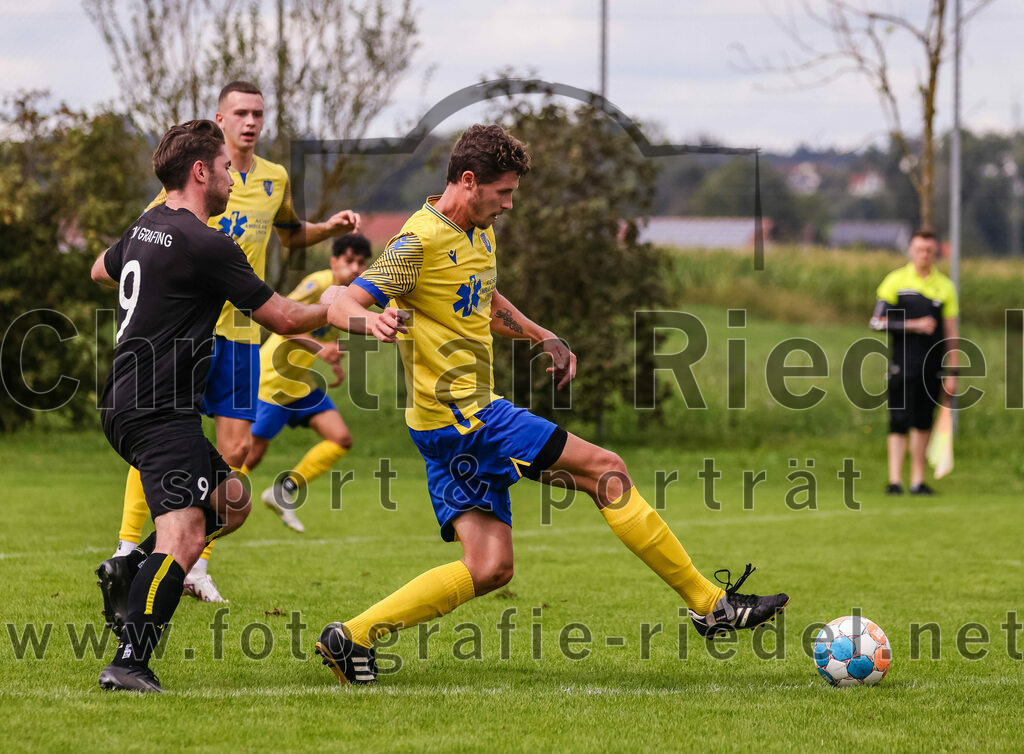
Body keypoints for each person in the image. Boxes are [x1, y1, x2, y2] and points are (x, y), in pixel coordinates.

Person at [313, 124, 789, 685]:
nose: (510, 204)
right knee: (607, 471)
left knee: (490, 569)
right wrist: (370, 318)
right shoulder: (418, 241)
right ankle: (711, 606)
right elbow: (338, 298)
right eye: (504, 193)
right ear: (468, 181)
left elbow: (481, 301)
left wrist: (543, 335)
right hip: (471, 419)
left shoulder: (476, 232)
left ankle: (352, 636)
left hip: (439, 427)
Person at [90, 120, 342, 692]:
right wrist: (333, 300)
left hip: (130, 401)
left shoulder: (147, 225)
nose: (233, 177)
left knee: (232, 502)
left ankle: (130, 570)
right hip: (157, 409)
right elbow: (283, 317)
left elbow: (100, 270)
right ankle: (130, 661)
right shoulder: (207, 241)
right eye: (226, 168)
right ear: (201, 171)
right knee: (182, 537)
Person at [244, 233, 372, 531]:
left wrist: (333, 359)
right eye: (349, 260)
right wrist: (321, 350)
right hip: (274, 379)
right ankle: (212, 505)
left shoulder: (349, 294)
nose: (355, 268)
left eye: (362, 263)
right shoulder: (318, 284)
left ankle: (283, 490)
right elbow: (280, 320)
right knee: (251, 453)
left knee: (340, 439)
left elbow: (326, 334)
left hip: (301, 383)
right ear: (333, 261)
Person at [870, 229, 959, 495]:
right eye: (920, 249)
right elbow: (876, 322)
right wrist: (914, 325)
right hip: (902, 363)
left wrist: (953, 371)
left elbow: (951, 332)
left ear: (936, 253)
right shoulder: (895, 281)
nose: (924, 255)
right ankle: (895, 480)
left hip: (932, 367)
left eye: (929, 250)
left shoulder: (944, 286)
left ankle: (917, 481)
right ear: (911, 250)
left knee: (923, 421)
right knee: (898, 420)